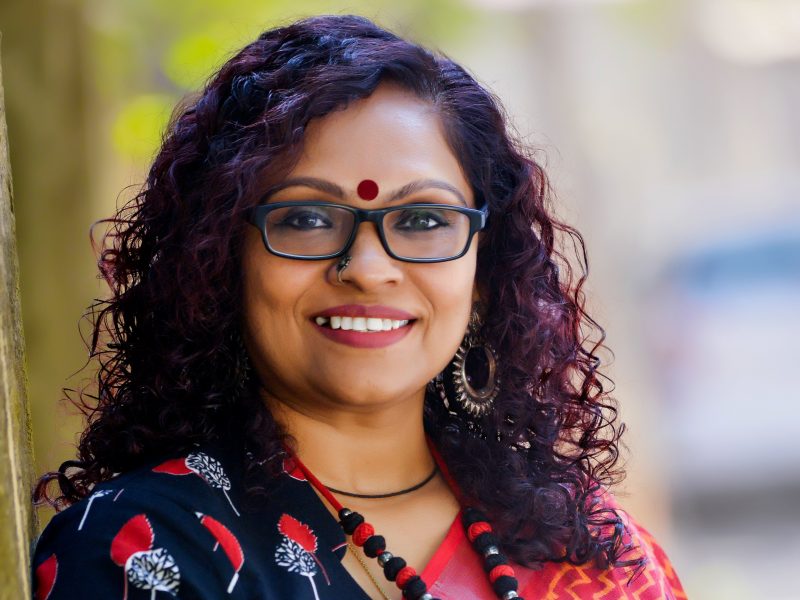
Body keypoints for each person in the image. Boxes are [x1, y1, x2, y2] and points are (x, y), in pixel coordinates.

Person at [31, 14, 686, 600]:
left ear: (483, 273)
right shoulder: (146, 545)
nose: (369, 270)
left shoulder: (601, 557)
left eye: (423, 219)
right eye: (308, 218)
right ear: (220, 260)